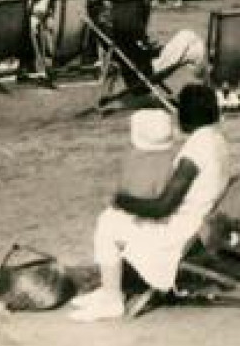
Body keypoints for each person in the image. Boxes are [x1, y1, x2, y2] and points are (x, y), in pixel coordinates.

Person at [72, 84, 231, 321]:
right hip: (196, 224)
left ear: (186, 114)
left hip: (181, 234)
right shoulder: (215, 139)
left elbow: (162, 207)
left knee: (108, 222)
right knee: (115, 219)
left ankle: (112, 298)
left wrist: (123, 201)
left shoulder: (195, 150)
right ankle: (108, 290)